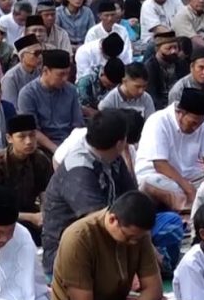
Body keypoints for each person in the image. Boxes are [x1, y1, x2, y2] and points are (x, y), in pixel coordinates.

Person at [53, 191, 195, 300]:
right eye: (129, 237)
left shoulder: (139, 236)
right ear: (112, 220)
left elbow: (154, 289)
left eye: (138, 238)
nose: (133, 243)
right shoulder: (79, 237)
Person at [41, 111, 137, 276]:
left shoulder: (113, 157)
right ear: (121, 142)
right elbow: (97, 220)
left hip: (114, 233)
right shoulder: (78, 168)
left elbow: (132, 199)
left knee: (164, 226)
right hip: (71, 249)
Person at [136, 88, 204, 210]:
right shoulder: (158, 120)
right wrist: (188, 188)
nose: (196, 128)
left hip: (189, 175)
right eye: (193, 123)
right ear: (181, 113)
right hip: (156, 175)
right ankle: (189, 217)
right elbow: (160, 165)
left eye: (199, 124)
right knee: (176, 192)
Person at [0, 114, 54, 246]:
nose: (28, 141)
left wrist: (45, 213)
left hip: (33, 212)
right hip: (3, 217)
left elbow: (45, 191)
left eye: (32, 135)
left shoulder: (40, 159)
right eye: (22, 136)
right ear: (9, 138)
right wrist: (31, 217)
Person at [18, 49, 84, 151]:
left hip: (70, 143)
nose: (65, 79)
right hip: (42, 147)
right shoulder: (27, 94)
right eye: (61, 74)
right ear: (45, 71)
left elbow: (77, 124)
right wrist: (57, 150)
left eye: (67, 74)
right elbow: (33, 130)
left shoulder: (71, 90)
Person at [145, 31, 186, 109]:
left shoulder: (181, 63)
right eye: (169, 48)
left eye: (175, 47)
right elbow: (152, 95)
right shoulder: (150, 67)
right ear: (157, 49)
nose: (173, 51)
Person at [1, 35, 42, 106]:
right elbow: (11, 107)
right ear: (23, 56)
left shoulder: (40, 73)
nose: (40, 56)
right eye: (36, 53)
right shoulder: (10, 78)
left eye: (41, 52)